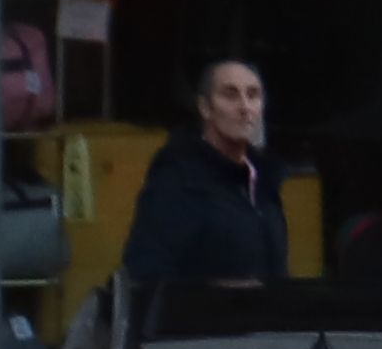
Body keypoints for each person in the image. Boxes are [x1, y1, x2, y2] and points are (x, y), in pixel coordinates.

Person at [120, 52, 286, 293]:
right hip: (205, 326)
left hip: (264, 326)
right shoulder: (176, 183)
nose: (244, 107)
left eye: (253, 95)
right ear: (205, 107)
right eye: (230, 95)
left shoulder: (265, 182)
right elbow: (146, 278)